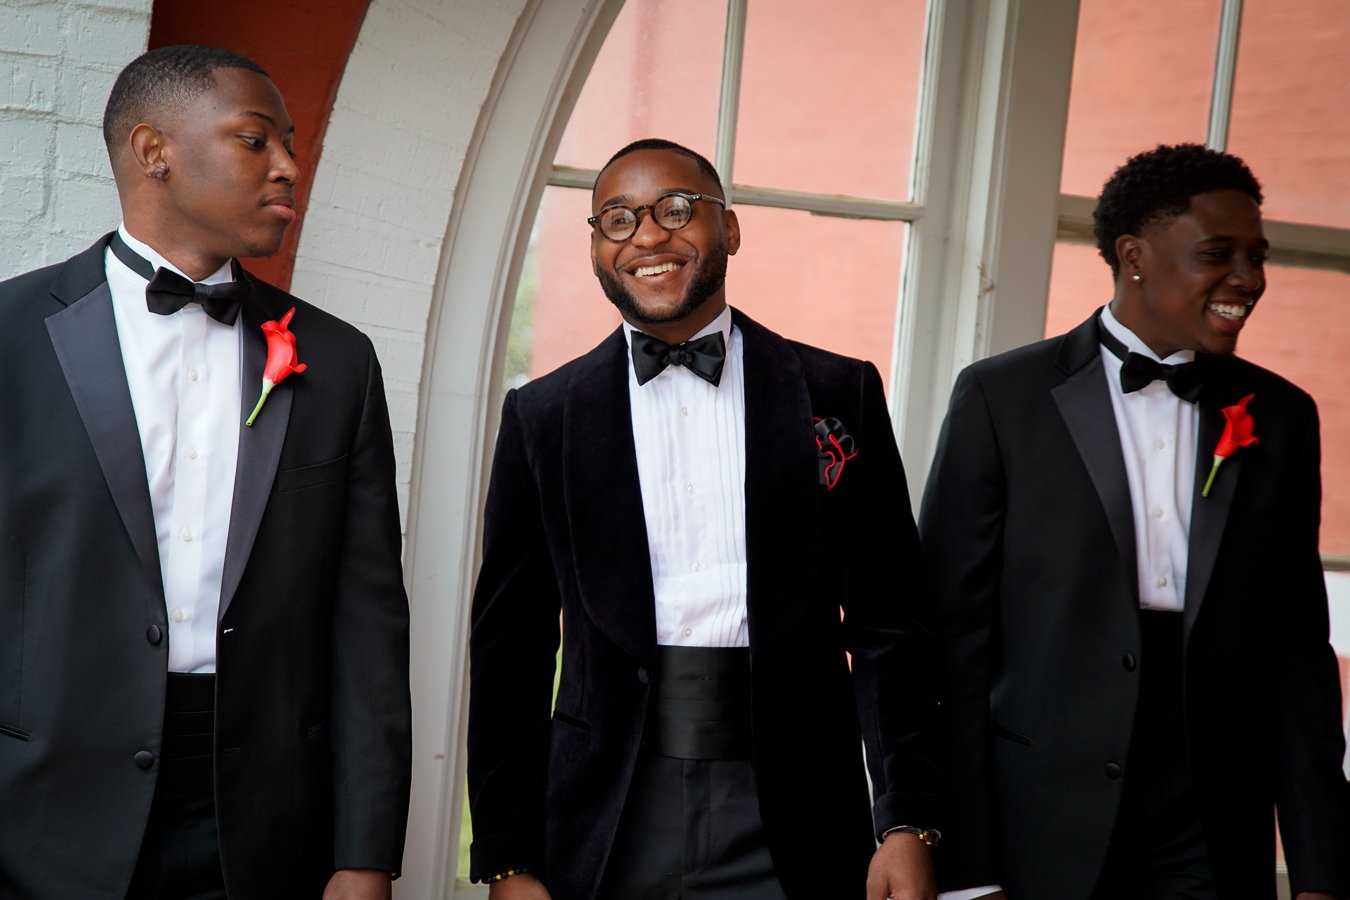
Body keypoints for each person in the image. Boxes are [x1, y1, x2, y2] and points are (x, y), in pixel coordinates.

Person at [466, 138, 943, 900]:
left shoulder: (838, 393)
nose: (648, 236)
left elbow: (892, 628)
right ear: (595, 248)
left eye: (677, 211)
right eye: (617, 219)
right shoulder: (542, 416)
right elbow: (510, 647)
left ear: (730, 230)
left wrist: (907, 821)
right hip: (605, 815)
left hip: (798, 811)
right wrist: (505, 855)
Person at [0, 46, 411, 899]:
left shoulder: (337, 361)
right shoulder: (7, 337)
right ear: (155, 151)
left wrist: (363, 855)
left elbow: (367, 623)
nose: (290, 167)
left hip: (264, 830)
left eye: (290, 144)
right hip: (36, 820)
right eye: (256, 141)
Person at [920, 143, 1350, 900]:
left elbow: (1297, 657)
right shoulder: (1001, 398)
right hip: (1036, 824)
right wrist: (965, 870)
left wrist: (1321, 870)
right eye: (1218, 254)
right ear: (1134, 256)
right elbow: (951, 647)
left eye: (1257, 256)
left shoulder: (1282, 417)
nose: (1248, 280)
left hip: (1209, 825)